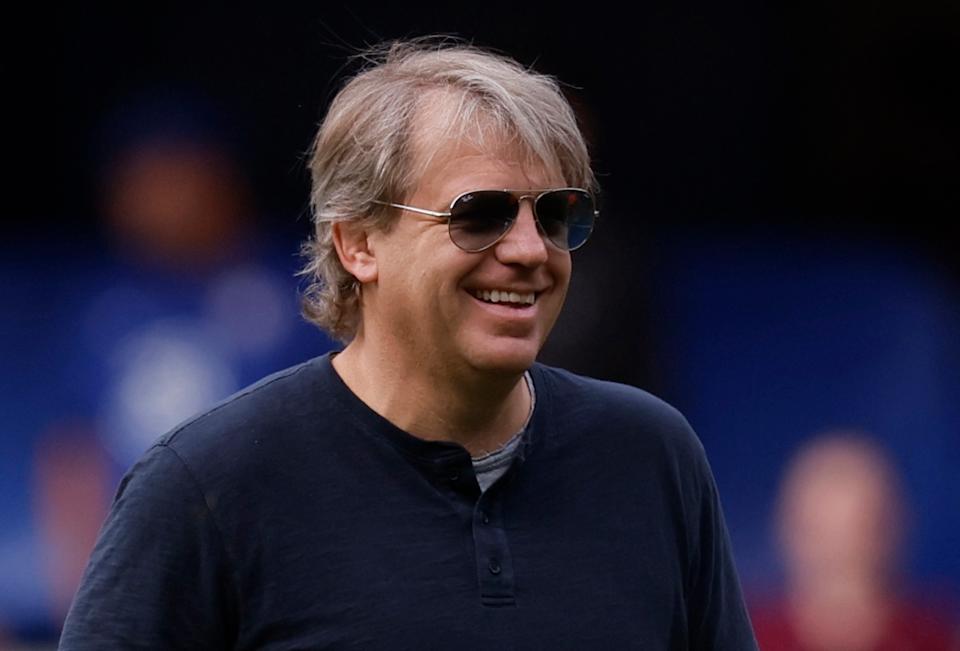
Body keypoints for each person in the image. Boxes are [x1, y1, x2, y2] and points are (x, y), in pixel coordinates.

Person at [59, 39, 758, 649]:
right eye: (479, 214)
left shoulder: (654, 458)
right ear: (358, 242)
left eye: (556, 214)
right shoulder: (205, 482)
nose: (529, 249)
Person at [751, 432, 958, 650]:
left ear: (891, 531)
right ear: (787, 531)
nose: (837, 553)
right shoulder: (742, 635)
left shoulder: (935, 637)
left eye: (857, 530)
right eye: (820, 532)